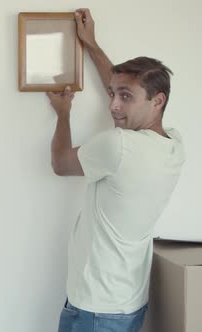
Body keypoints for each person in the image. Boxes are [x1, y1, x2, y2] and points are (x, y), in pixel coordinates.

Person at [47, 8, 185, 332]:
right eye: (113, 94)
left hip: (96, 309)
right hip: (127, 302)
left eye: (125, 97)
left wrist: (63, 114)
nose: (113, 106)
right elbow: (131, 86)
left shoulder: (119, 145)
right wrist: (91, 45)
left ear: (157, 102)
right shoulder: (175, 146)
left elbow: (60, 163)